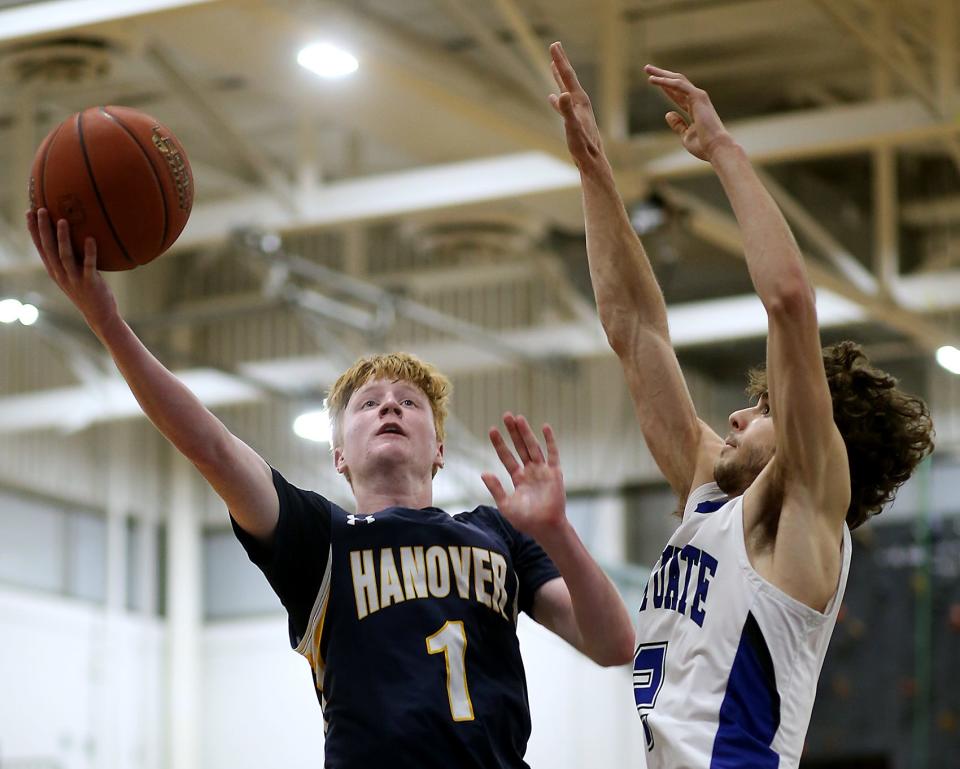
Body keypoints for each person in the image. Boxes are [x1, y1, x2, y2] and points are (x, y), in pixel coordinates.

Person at [26, 208, 635, 769]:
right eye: (368, 404)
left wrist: (556, 532)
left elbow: (613, 644)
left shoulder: (497, 530)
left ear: (440, 449)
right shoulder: (320, 539)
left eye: (409, 403)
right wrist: (107, 323)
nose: (389, 407)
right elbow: (209, 446)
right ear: (339, 455)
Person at [548, 41, 934, 768]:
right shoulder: (712, 497)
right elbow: (633, 330)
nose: (733, 417)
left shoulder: (803, 514)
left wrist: (723, 149)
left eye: (759, 409)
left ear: (805, 430)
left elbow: (789, 301)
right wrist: (594, 171)